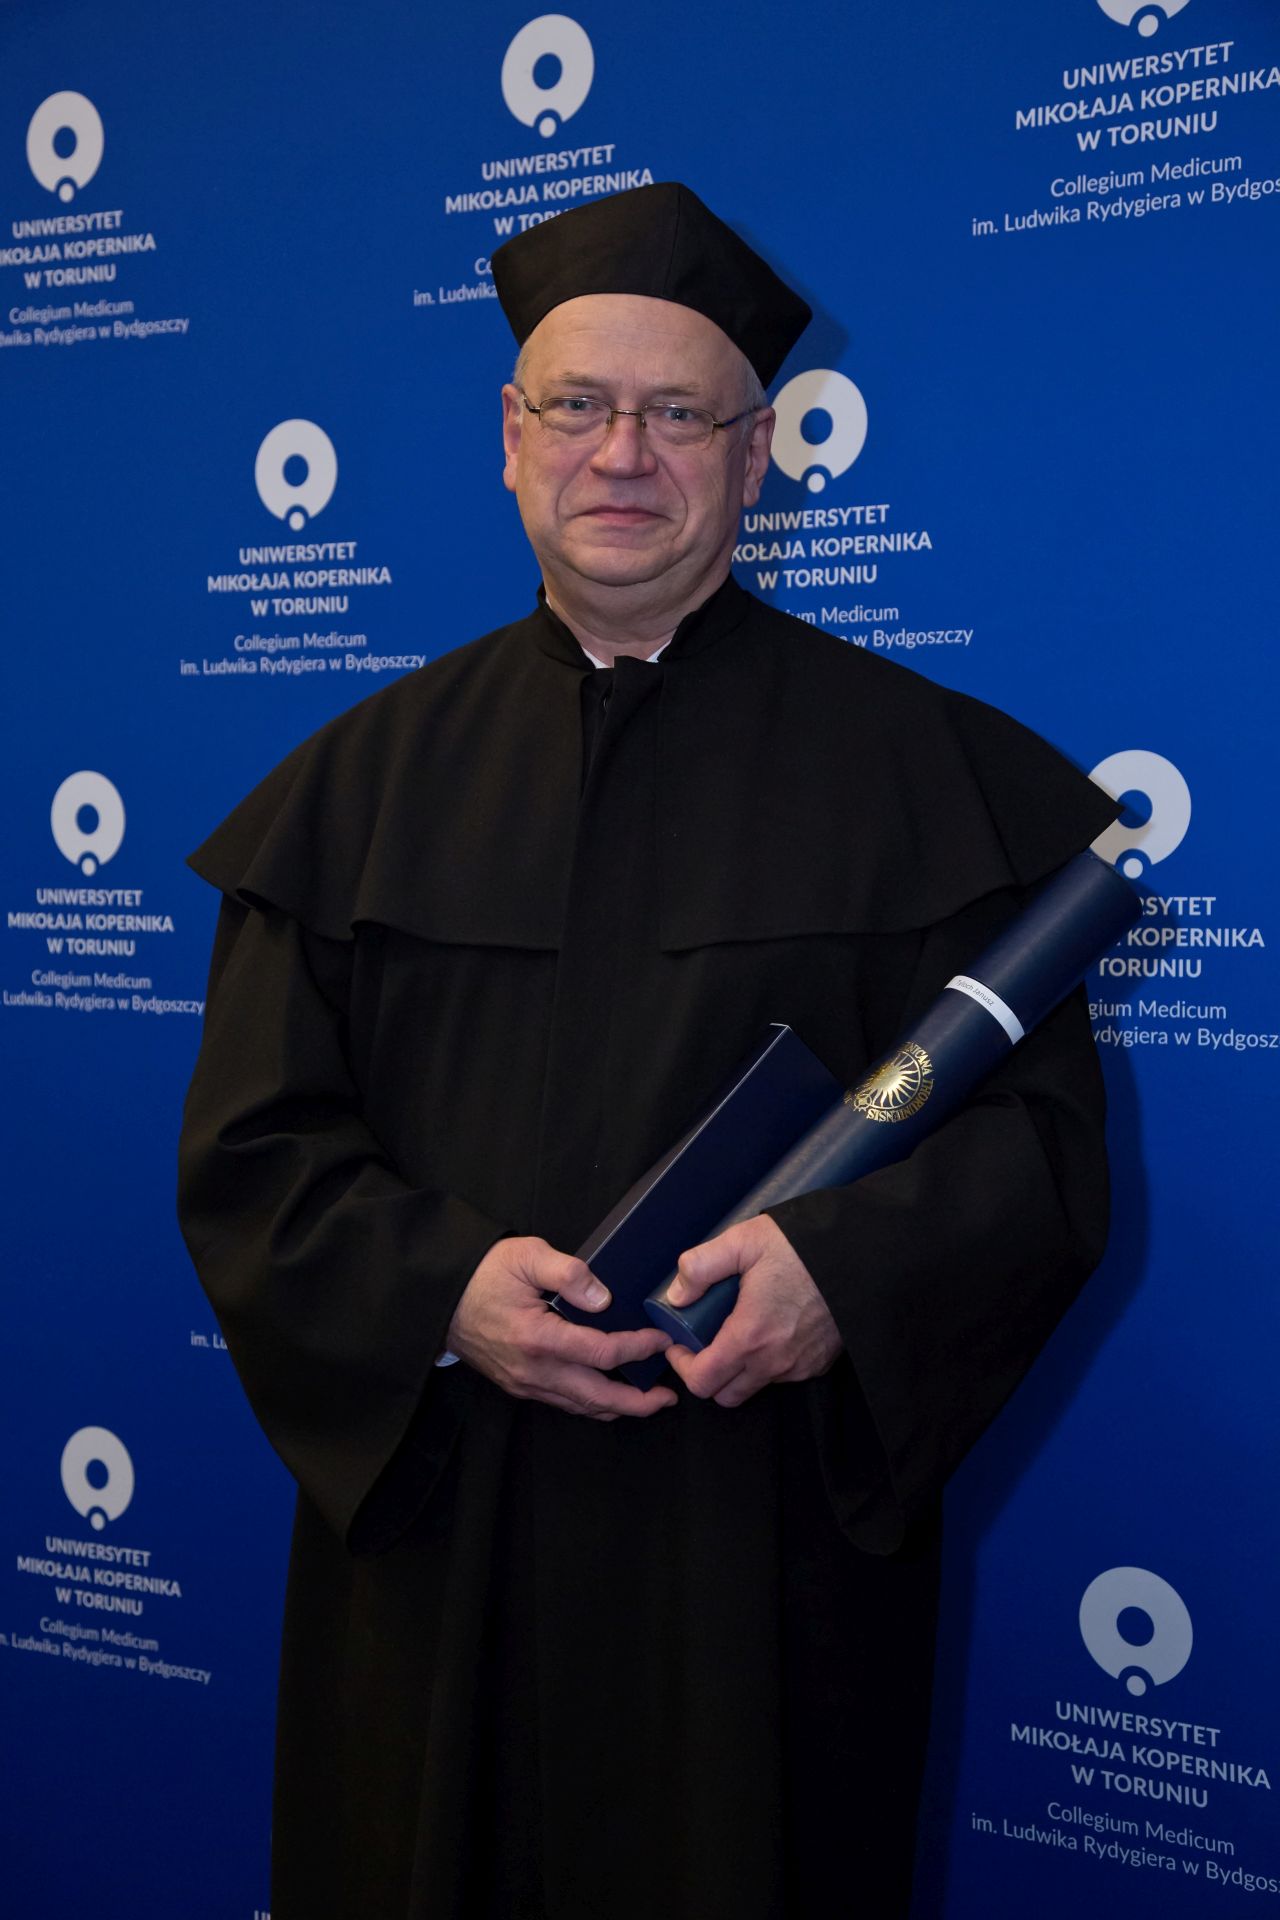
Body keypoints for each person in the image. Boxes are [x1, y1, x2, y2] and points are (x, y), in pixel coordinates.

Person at [177, 183, 1118, 1919]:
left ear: (757, 459)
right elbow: (255, 1158)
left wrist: (842, 1274)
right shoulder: (356, 786)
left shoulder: (930, 772)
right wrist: (441, 1293)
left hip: (759, 1545)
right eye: (579, 407)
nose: (624, 454)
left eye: (679, 414)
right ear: (509, 442)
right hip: (444, 1534)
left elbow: (1039, 1156)